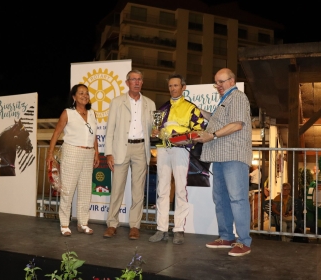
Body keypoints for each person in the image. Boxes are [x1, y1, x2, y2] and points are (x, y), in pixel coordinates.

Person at [194, 68, 252, 257]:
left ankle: (244, 241)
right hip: (219, 156)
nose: (218, 86)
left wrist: (212, 135)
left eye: (221, 82)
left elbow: (237, 124)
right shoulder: (224, 101)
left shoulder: (237, 97)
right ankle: (226, 236)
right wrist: (199, 112)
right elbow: (217, 121)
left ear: (232, 81)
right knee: (220, 198)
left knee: (237, 198)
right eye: (216, 82)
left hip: (233, 155)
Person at [148, 73, 205, 245]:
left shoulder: (191, 108)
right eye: (170, 86)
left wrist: (179, 135)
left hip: (180, 150)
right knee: (162, 190)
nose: (173, 88)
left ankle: (179, 229)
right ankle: (161, 228)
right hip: (163, 150)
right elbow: (155, 130)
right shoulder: (162, 108)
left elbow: (199, 129)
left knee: (180, 189)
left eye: (176, 85)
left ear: (183, 87)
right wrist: (155, 132)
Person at [103, 69, 156, 240]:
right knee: (117, 188)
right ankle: (112, 224)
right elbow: (110, 129)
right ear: (127, 83)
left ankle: (135, 225)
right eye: (133, 79)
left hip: (141, 148)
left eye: (139, 79)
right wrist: (108, 153)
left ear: (142, 82)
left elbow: (153, 130)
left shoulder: (150, 103)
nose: (137, 82)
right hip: (120, 149)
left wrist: (157, 132)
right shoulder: (117, 102)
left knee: (138, 191)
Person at [46, 84, 100, 236]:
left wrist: (97, 153)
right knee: (67, 189)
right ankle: (64, 223)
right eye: (81, 93)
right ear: (74, 97)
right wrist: (50, 154)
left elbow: (94, 136)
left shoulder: (92, 114)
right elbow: (56, 134)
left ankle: (83, 223)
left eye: (87, 93)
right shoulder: (68, 113)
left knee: (85, 190)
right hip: (72, 151)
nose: (85, 95)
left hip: (88, 153)